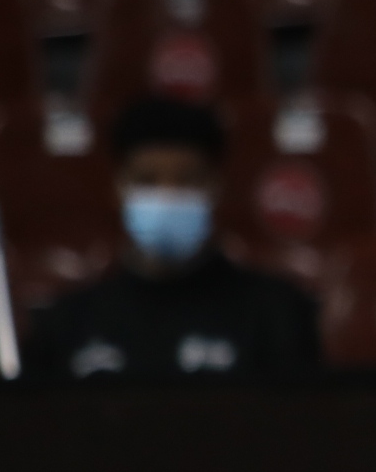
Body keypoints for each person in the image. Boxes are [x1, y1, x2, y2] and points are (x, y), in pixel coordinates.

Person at [25, 97, 319, 381]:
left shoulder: (275, 313)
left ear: (216, 186)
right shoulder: (67, 324)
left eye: (187, 180)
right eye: (147, 180)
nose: (166, 195)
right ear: (118, 188)